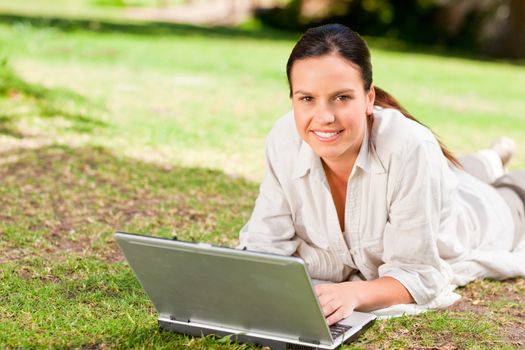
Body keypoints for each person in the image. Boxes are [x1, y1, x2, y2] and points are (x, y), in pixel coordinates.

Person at [238, 23, 525, 324]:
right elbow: (263, 246)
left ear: (369, 99)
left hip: (478, 214)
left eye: (341, 97)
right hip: (435, 179)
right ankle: (490, 158)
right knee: (459, 171)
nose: (323, 117)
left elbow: (418, 274)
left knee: (508, 193)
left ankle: (496, 166)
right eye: (307, 98)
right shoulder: (284, 139)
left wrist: (355, 293)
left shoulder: (410, 146)